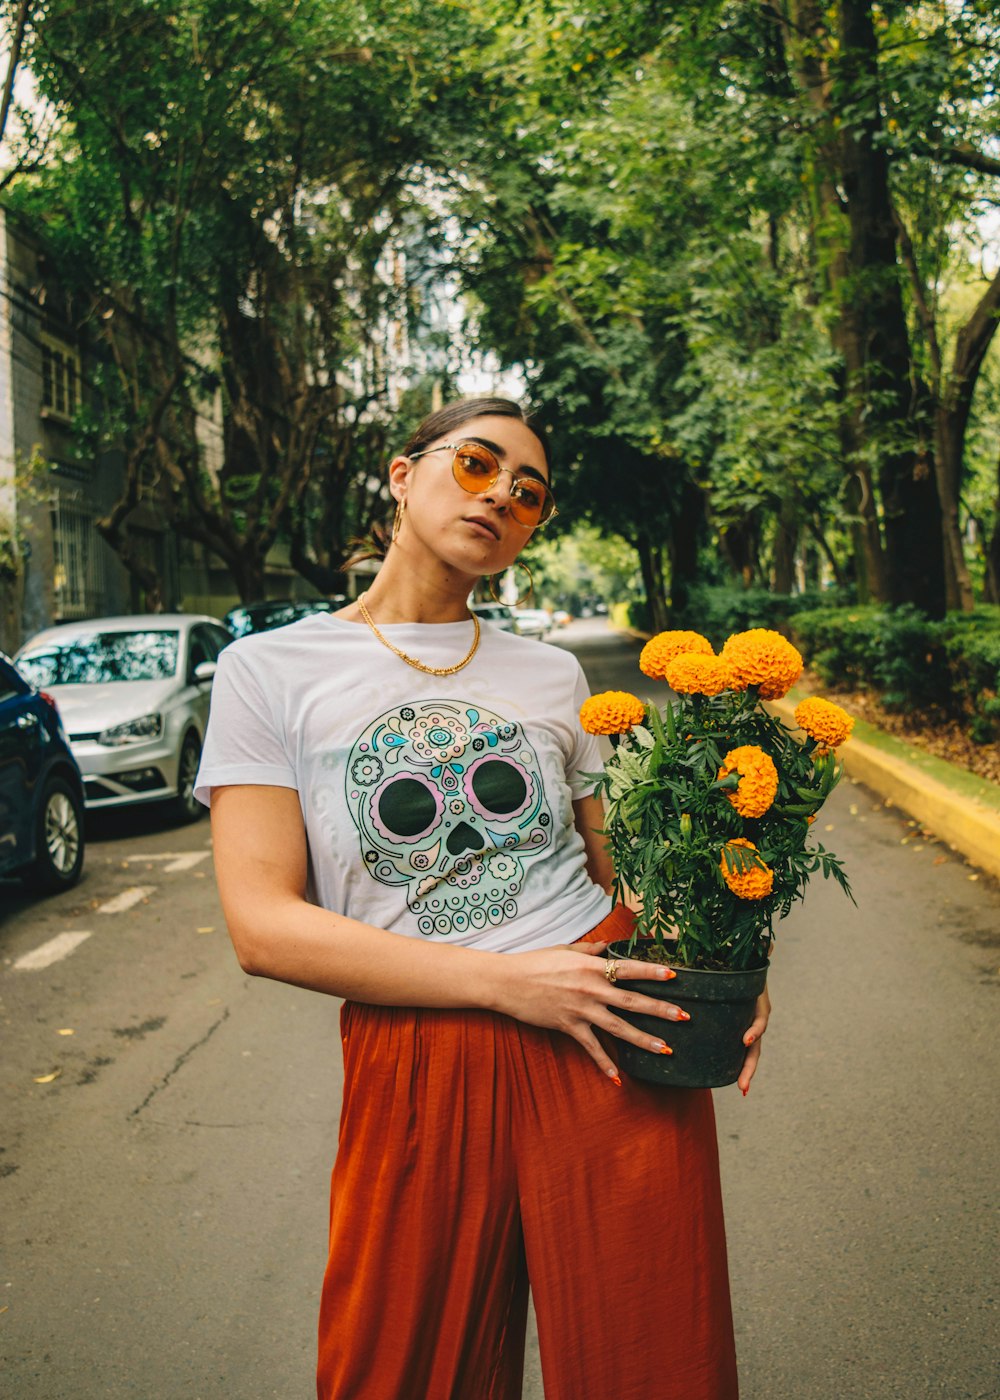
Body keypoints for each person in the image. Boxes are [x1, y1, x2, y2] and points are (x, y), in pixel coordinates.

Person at [195, 396, 769, 1400]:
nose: (502, 493)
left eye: (529, 492)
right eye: (477, 464)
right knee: (402, 1366)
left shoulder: (549, 675)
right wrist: (506, 985)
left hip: (607, 1024)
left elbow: (612, 867)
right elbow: (263, 925)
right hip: (418, 1049)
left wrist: (717, 960)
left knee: (653, 1356)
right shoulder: (268, 670)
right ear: (401, 473)